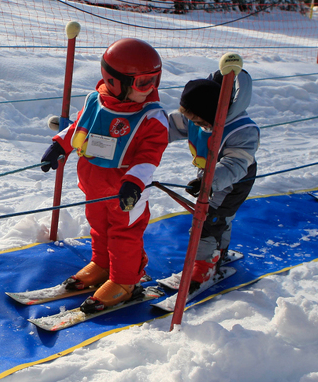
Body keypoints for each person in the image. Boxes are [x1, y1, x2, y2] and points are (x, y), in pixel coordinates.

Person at [40, 38, 169, 312]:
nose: (151, 90)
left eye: (155, 81)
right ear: (115, 82)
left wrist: (134, 182)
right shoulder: (95, 102)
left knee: (125, 236)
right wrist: (59, 144)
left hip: (126, 193)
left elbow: (150, 156)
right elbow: (79, 127)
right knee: (99, 228)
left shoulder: (151, 117)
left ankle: (124, 281)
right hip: (94, 186)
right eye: (144, 83)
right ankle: (101, 264)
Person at [165, 53, 259, 293]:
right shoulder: (197, 117)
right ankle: (219, 252)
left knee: (208, 221)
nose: (191, 123)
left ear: (210, 113)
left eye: (195, 118)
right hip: (209, 178)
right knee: (219, 217)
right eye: (188, 117)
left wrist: (207, 180)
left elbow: (235, 165)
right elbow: (167, 127)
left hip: (234, 180)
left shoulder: (242, 130)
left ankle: (204, 267)